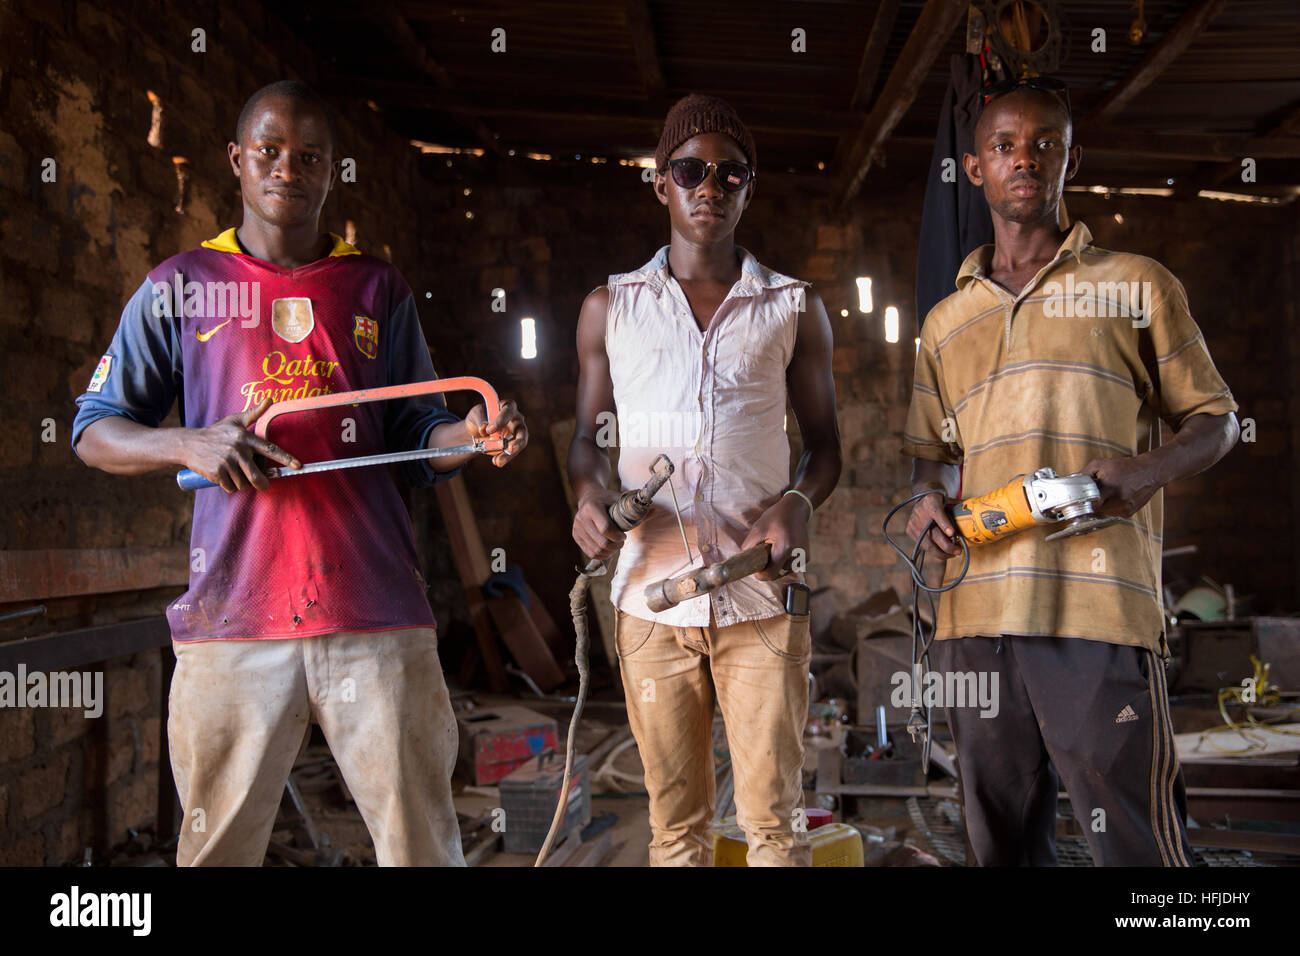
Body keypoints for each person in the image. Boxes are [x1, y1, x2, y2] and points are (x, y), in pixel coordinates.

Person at [72, 81, 528, 866]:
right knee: (218, 851)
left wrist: (471, 435)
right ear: (236, 161)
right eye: (270, 152)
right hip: (233, 614)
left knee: (422, 846)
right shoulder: (179, 284)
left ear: (333, 172)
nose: (289, 169)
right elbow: (93, 431)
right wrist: (188, 444)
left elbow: (420, 438)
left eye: (309, 157)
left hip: (376, 612)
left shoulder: (377, 288)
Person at [902, 79, 1239, 866]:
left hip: (1097, 615)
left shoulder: (1137, 284)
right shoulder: (945, 324)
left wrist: (1142, 474)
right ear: (975, 167)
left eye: (1044, 143)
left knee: (1136, 847)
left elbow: (1218, 422)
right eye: (1004, 146)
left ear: (1070, 160)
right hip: (974, 623)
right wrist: (926, 505)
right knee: (1003, 847)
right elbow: (929, 463)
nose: (1025, 159)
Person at [568, 94, 842, 866]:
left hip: (761, 596)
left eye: (730, 174)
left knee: (773, 828)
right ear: (661, 183)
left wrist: (796, 501)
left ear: (748, 189)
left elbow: (825, 449)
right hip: (651, 599)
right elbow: (585, 443)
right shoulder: (610, 308)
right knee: (677, 831)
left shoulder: (791, 307)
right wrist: (589, 499)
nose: (709, 187)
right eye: (690, 170)